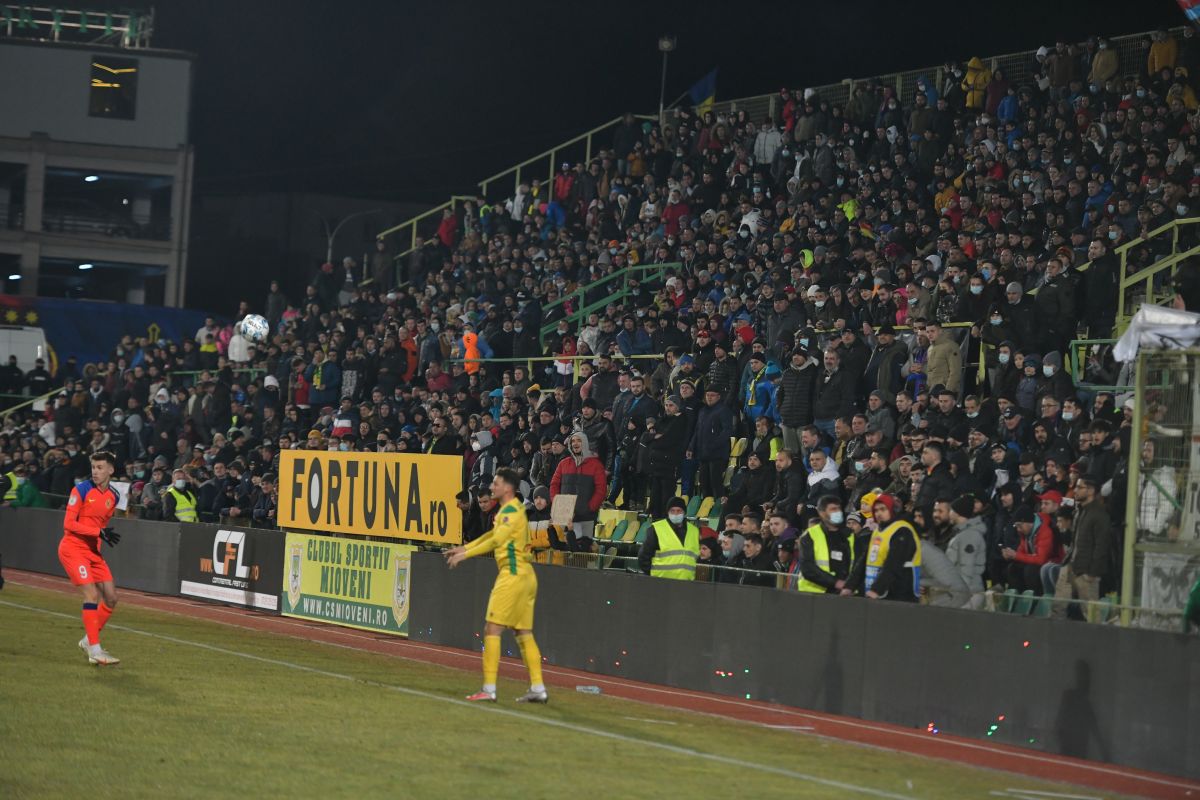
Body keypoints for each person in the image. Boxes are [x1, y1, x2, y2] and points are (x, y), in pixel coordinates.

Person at [445, 468, 548, 704]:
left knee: (492, 629)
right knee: (523, 632)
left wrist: (466, 553)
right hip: (526, 575)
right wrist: (464, 548)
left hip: (512, 575)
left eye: (496, 483)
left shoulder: (511, 511)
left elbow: (496, 540)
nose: (492, 487)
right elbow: (493, 535)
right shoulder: (509, 511)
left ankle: (489, 689)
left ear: (508, 488)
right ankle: (538, 688)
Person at [57, 451, 122, 666]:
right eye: (93, 467)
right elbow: (68, 524)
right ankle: (95, 650)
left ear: (111, 470)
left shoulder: (114, 496)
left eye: (100, 467)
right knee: (92, 595)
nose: (95, 471)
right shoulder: (81, 489)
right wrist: (98, 533)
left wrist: (100, 537)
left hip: (93, 552)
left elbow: (101, 525)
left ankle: (88, 640)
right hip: (73, 548)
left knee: (111, 597)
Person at [1051, 476, 1110, 620]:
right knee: (1057, 607)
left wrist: (1092, 572)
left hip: (1086, 571)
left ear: (1090, 491)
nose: (1075, 490)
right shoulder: (1080, 511)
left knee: (1091, 613)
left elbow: (1101, 546)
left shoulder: (1099, 514)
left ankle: (1096, 642)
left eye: (1079, 487)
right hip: (1071, 565)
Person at [851, 493, 921, 602]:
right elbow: (864, 561)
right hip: (882, 595)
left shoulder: (902, 531)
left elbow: (893, 563)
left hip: (901, 596)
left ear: (892, 509)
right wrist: (850, 586)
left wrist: (876, 589)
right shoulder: (878, 531)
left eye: (883, 509)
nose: (879, 513)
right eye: (876, 510)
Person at [548, 431, 607, 552]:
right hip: (566, 517)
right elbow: (554, 485)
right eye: (573, 441)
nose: (575, 443)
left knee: (582, 553)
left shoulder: (596, 465)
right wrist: (558, 505)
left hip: (586, 517)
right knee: (564, 549)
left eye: (578, 440)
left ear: (585, 443)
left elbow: (601, 490)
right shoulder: (563, 464)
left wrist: (589, 507)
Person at [796, 495, 854, 594]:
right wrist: (836, 582)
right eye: (833, 509)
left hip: (844, 595)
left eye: (839, 508)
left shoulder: (850, 535)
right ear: (822, 513)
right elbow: (807, 568)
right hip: (814, 595)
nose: (838, 512)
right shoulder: (810, 535)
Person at [637, 496, 701, 580]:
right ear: (668, 512)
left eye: (679, 511)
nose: (675, 514)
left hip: (686, 584)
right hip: (661, 584)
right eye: (672, 511)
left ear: (684, 512)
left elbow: (697, 557)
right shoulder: (656, 529)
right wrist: (653, 574)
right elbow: (644, 556)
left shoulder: (694, 531)